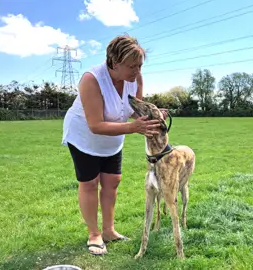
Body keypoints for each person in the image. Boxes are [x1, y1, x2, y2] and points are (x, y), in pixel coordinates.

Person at [61, 34, 167, 255]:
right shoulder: (91, 79)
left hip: (114, 137)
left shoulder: (135, 78)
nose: (137, 71)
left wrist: (154, 114)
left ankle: (109, 231)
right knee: (90, 183)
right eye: (132, 66)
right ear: (114, 62)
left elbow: (137, 107)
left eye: (140, 66)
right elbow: (96, 125)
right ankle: (94, 234)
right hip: (84, 138)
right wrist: (132, 128)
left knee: (112, 182)